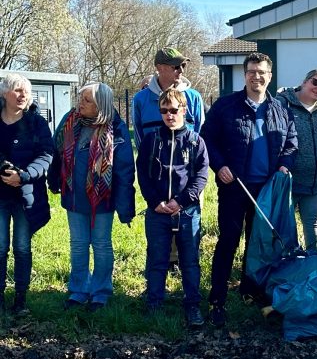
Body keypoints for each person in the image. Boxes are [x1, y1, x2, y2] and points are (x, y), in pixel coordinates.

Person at [201, 52, 297, 327]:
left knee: (258, 243)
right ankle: (217, 299)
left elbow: (291, 141)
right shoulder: (225, 106)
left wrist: (284, 165)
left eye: (262, 72)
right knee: (228, 240)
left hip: (266, 190)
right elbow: (207, 139)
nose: (257, 76)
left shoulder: (280, 108)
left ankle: (249, 290)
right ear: (245, 75)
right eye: (252, 71)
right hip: (234, 187)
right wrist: (219, 166)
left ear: (270, 75)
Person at [49, 83, 135, 311]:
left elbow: (125, 170)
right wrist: (53, 180)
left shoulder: (116, 128)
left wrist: (126, 207)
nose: (81, 103)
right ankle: (78, 291)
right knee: (78, 246)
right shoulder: (70, 121)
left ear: (101, 105)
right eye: (81, 98)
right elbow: (55, 152)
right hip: (74, 198)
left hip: (102, 201)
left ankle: (100, 293)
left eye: (87, 100)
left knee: (101, 245)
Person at [137, 88, 209, 327]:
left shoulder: (195, 141)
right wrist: (154, 202)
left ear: (184, 110)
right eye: (164, 111)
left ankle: (192, 305)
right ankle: (154, 304)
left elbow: (200, 177)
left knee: (189, 261)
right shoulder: (151, 140)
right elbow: (143, 176)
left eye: (174, 110)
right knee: (157, 259)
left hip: (187, 211)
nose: (169, 115)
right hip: (157, 212)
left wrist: (181, 201)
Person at [0, 73, 54, 316]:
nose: (23, 96)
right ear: (4, 94)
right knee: (0, 247)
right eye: (17, 90)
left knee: (22, 247)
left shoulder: (36, 123)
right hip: (0, 195)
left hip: (26, 195)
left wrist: (23, 175)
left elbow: (46, 155)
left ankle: (20, 298)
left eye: (26, 91)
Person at [276, 69, 317, 249]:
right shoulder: (281, 104)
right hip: (288, 183)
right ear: (304, 81)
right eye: (315, 82)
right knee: (284, 231)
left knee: (315, 228)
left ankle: (315, 268)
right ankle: (288, 269)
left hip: (316, 183)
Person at [132, 47, 205, 147]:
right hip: (153, 161)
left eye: (183, 65)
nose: (181, 70)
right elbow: (139, 137)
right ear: (159, 68)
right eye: (176, 66)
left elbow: (200, 135)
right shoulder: (140, 99)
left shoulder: (194, 98)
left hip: (187, 161)